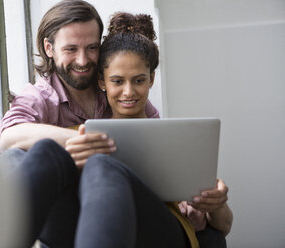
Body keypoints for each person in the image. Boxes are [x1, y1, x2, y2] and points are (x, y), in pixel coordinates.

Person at [0, 1, 159, 247]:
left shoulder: (119, 90)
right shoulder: (40, 97)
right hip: (65, 214)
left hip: (120, 211)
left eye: (92, 47)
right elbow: (6, 136)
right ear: (49, 48)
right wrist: (76, 140)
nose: (82, 60)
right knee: (23, 156)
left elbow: (160, 148)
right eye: (71, 49)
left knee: (101, 169)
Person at [65, 12, 233, 248]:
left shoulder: (179, 140)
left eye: (138, 80)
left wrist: (216, 204)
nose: (128, 92)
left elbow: (224, 227)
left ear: (151, 79)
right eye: (117, 81)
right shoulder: (81, 138)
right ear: (102, 82)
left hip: (169, 232)